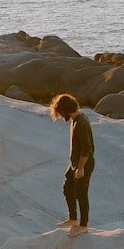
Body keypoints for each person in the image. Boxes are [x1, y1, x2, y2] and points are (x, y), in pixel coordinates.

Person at [50, 93, 94, 237]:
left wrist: (80, 168)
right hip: (75, 163)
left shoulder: (81, 123)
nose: (61, 116)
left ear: (66, 109)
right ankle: (73, 219)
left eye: (60, 112)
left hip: (84, 163)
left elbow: (87, 148)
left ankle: (83, 226)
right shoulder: (76, 119)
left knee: (81, 194)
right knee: (68, 188)